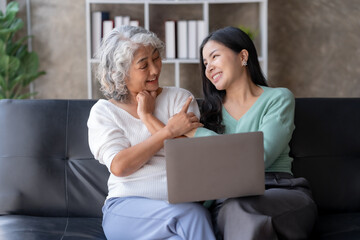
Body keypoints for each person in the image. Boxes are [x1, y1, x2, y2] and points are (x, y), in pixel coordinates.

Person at [185, 26, 318, 240]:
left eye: (214, 57)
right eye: (205, 63)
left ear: (243, 56)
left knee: (239, 210)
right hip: (228, 201)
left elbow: (259, 158)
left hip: (279, 191)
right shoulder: (207, 114)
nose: (208, 68)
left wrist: (198, 135)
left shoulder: (278, 99)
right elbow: (208, 176)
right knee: (234, 209)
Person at [87, 26, 216, 240]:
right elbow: (120, 166)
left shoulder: (180, 99)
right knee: (193, 217)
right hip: (126, 210)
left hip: (178, 208)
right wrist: (167, 132)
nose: (155, 70)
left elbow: (193, 159)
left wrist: (148, 117)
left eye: (156, 59)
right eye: (143, 65)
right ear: (119, 73)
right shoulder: (104, 112)